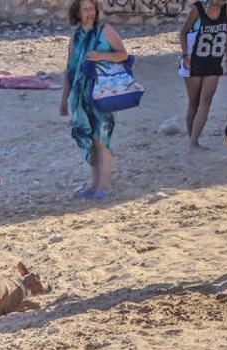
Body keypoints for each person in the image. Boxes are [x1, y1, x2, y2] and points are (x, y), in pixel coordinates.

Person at [60, 0, 128, 200]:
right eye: (85, 9)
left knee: (101, 139)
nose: (89, 12)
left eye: (92, 8)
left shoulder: (105, 31)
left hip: (102, 94)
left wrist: (100, 56)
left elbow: (123, 55)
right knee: (88, 140)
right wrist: (64, 100)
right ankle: (94, 184)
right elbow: (70, 70)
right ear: (77, 13)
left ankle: (105, 186)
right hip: (80, 97)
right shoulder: (75, 38)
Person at [179, 0, 227, 148]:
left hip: (213, 62)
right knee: (194, 101)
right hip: (193, 62)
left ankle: (194, 141)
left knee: (206, 100)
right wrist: (185, 55)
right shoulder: (198, 9)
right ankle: (191, 136)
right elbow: (183, 32)